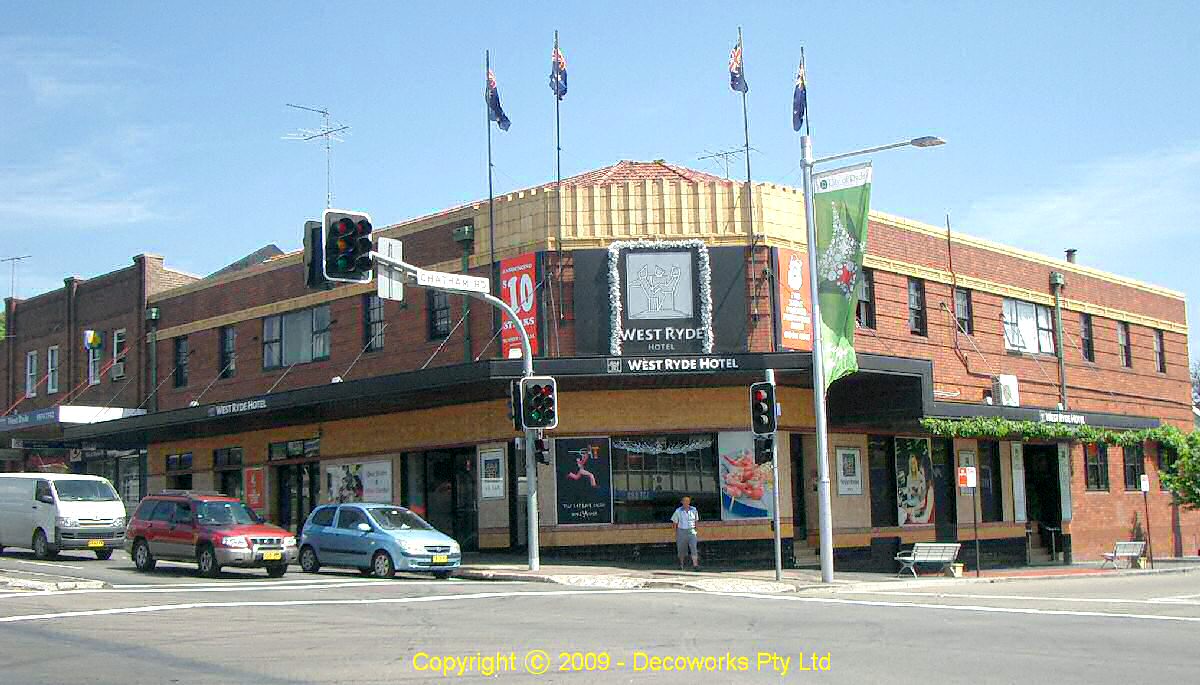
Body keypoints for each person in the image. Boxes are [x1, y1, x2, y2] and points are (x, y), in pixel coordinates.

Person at [671, 496, 700, 571]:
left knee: (693, 548)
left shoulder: (694, 510)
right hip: (682, 530)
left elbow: (696, 520)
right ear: (682, 502)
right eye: (685, 501)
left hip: (692, 530)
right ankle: (681, 565)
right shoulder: (678, 511)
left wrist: (696, 530)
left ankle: (695, 565)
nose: (686, 503)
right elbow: (675, 522)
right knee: (681, 548)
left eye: (688, 501)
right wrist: (675, 532)